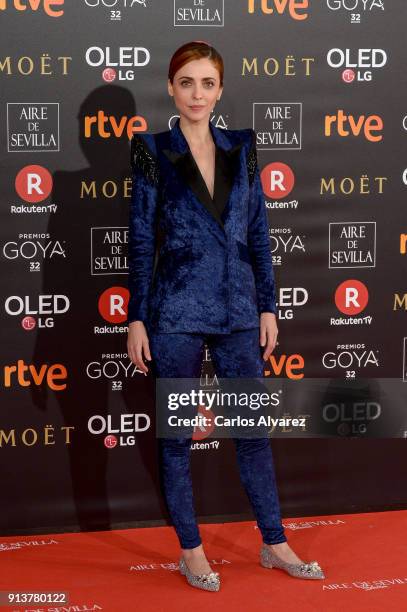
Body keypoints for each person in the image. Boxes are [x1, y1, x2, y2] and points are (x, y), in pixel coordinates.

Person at [126, 41, 325, 591]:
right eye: (186, 82)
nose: (196, 93)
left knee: (253, 432)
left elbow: (258, 232)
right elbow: (142, 241)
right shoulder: (151, 150)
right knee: (176, 438)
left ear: (220, 90)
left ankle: (274, 542)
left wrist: (268, 305)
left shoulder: (243, 146)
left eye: (207, 83)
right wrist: (137, 319)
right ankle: (191, 551)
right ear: (170, 87)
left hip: (239, 308)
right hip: (176, 312)